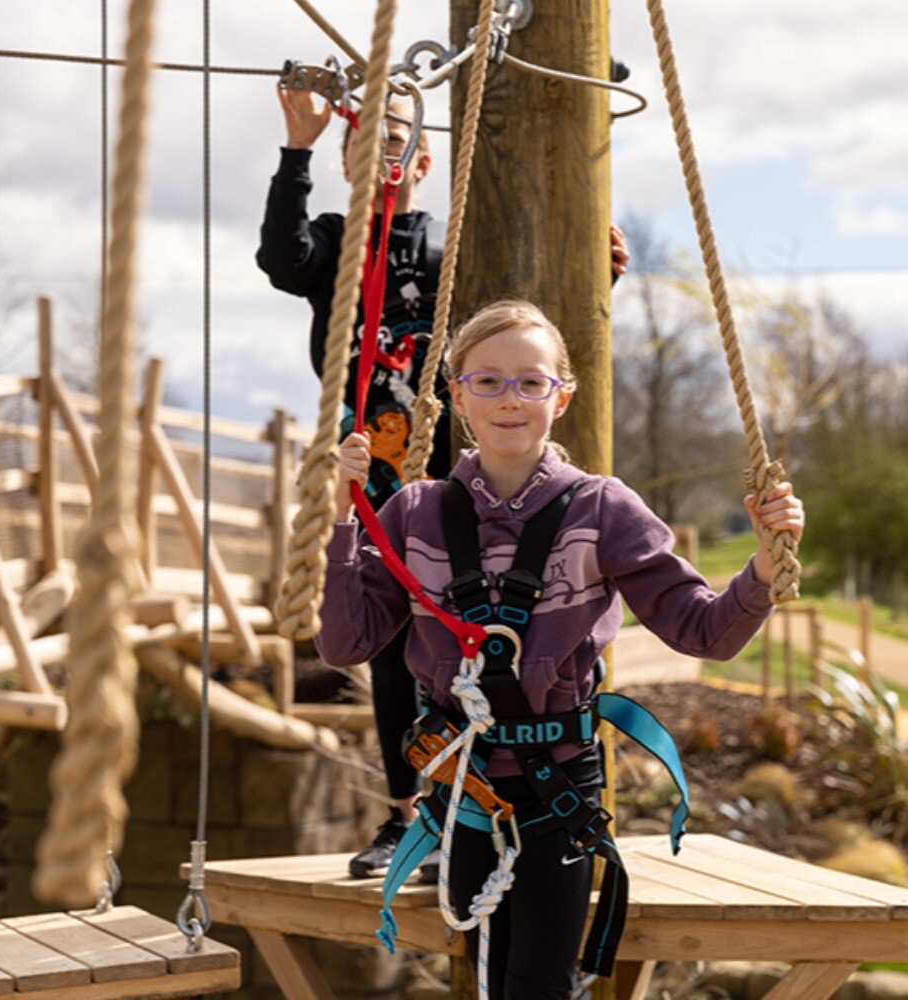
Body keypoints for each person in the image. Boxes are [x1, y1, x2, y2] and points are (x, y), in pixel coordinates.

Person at [318, 299, 805, 999]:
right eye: (487, 381)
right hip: (464, 792)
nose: (509, 400)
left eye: (530, 381)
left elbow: (705, 633)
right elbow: (345, 641)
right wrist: (341, 518)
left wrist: (761, 567)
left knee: (537, 984)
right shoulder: (416, 513)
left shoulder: (602, 512)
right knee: (488, 976)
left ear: (562, 395)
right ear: (457, 396)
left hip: (558, 790)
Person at [257, 86, 630, 882]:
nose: (381, 154)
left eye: (397, 141)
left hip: (444, 479)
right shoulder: (335, 241)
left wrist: (586, 263)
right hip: (373, 476)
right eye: (365, 144)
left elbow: (515, 325)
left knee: (492, 635)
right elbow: (281, 260)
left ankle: (518, 798)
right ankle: (408, 816)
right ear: (347, 161)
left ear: (424, 159)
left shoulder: (447, 248)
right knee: (390, 647)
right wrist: (298, 148)